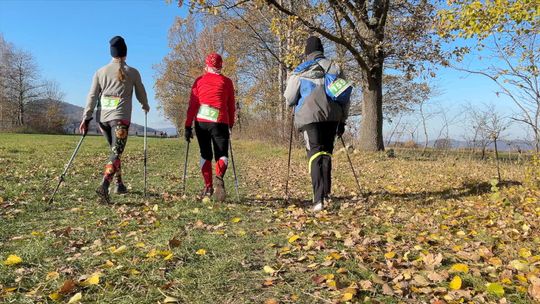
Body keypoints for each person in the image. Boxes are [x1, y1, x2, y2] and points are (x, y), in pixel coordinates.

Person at [284, 36, 351, 211]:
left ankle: (318, 199)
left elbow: (290, 98)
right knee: (326, 153)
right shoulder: (335, 68)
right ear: (322, 51)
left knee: (314, 154)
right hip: (332, 116)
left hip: (309, 116)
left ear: (307, 52)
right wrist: (342, 120)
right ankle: (326, 194)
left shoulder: (300, 70)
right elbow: (345, 97)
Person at [80, 36, 150, 204]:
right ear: (125, 52)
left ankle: (119, 184)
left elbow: (92, 95)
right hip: (120, 119)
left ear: (111, 52)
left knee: (115, 152)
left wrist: (86, 117)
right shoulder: (132, 72)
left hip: (102, 119)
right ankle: (104, 185)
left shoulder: (100, 71)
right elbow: (141, 91)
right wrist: (145, 104)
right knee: (116, 153)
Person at [184, 53, 235, 202]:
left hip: (202, 122)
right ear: (221, 66)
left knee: (205, 154)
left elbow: (193, 105)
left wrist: (188, 126)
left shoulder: (199, 81)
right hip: (220, 121)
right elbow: (231, 106)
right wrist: (230, 123)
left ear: (206, 66)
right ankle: (219, 178)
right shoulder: (227, 82)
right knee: (222, 154)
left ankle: (208, 187)